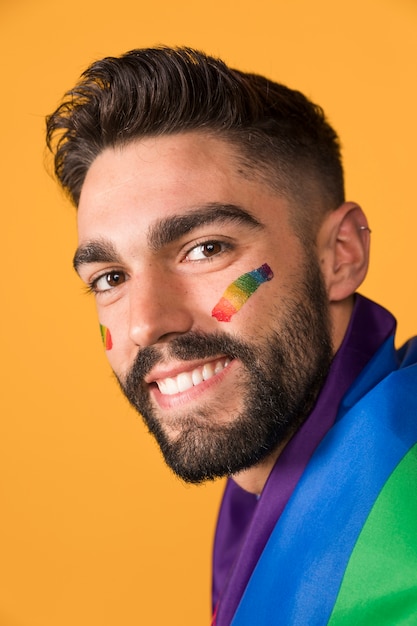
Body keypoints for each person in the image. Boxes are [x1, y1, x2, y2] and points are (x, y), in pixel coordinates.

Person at [46, 47, 417, 625]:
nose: (146, 322)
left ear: (340, 255)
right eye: (111, 278)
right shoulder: (267, 495)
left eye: (204, 249)